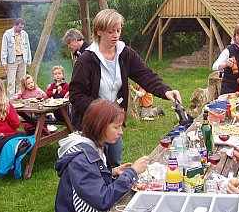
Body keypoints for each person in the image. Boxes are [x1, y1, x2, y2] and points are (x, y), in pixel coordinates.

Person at [69, 9, 181, 167]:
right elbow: (76, 95)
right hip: (91, 123)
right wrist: (102, 109)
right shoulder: (86, 60)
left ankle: (115, 189)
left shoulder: (125, 54)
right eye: (111, 31)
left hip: (113, 122)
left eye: (118, 30)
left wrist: (165, 90)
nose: (116, 35)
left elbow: (145, 75)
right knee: (92, 166)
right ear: (99, 31)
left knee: (114, 163)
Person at [55, 99, 149, 212]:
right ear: (100, 126)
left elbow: (92, 177)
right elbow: (102, 200)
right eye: (116, 127)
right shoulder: (81, 159)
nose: (121, 132)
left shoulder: (95, 146)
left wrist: (112, 172)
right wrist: (131, 172)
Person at [1, 18, 32, 98]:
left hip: (22, 58)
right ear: (15, 25)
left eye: (22, 27)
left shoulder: (24, 34)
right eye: (20, 27)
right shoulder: (7, 34)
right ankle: (10, 100)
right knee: (11, 82)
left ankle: (20, 97)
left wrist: (29, 60)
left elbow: (27, 47)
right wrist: (4, 61)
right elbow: (4, 48)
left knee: (21, 81)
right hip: (12, 60)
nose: (21, 29)